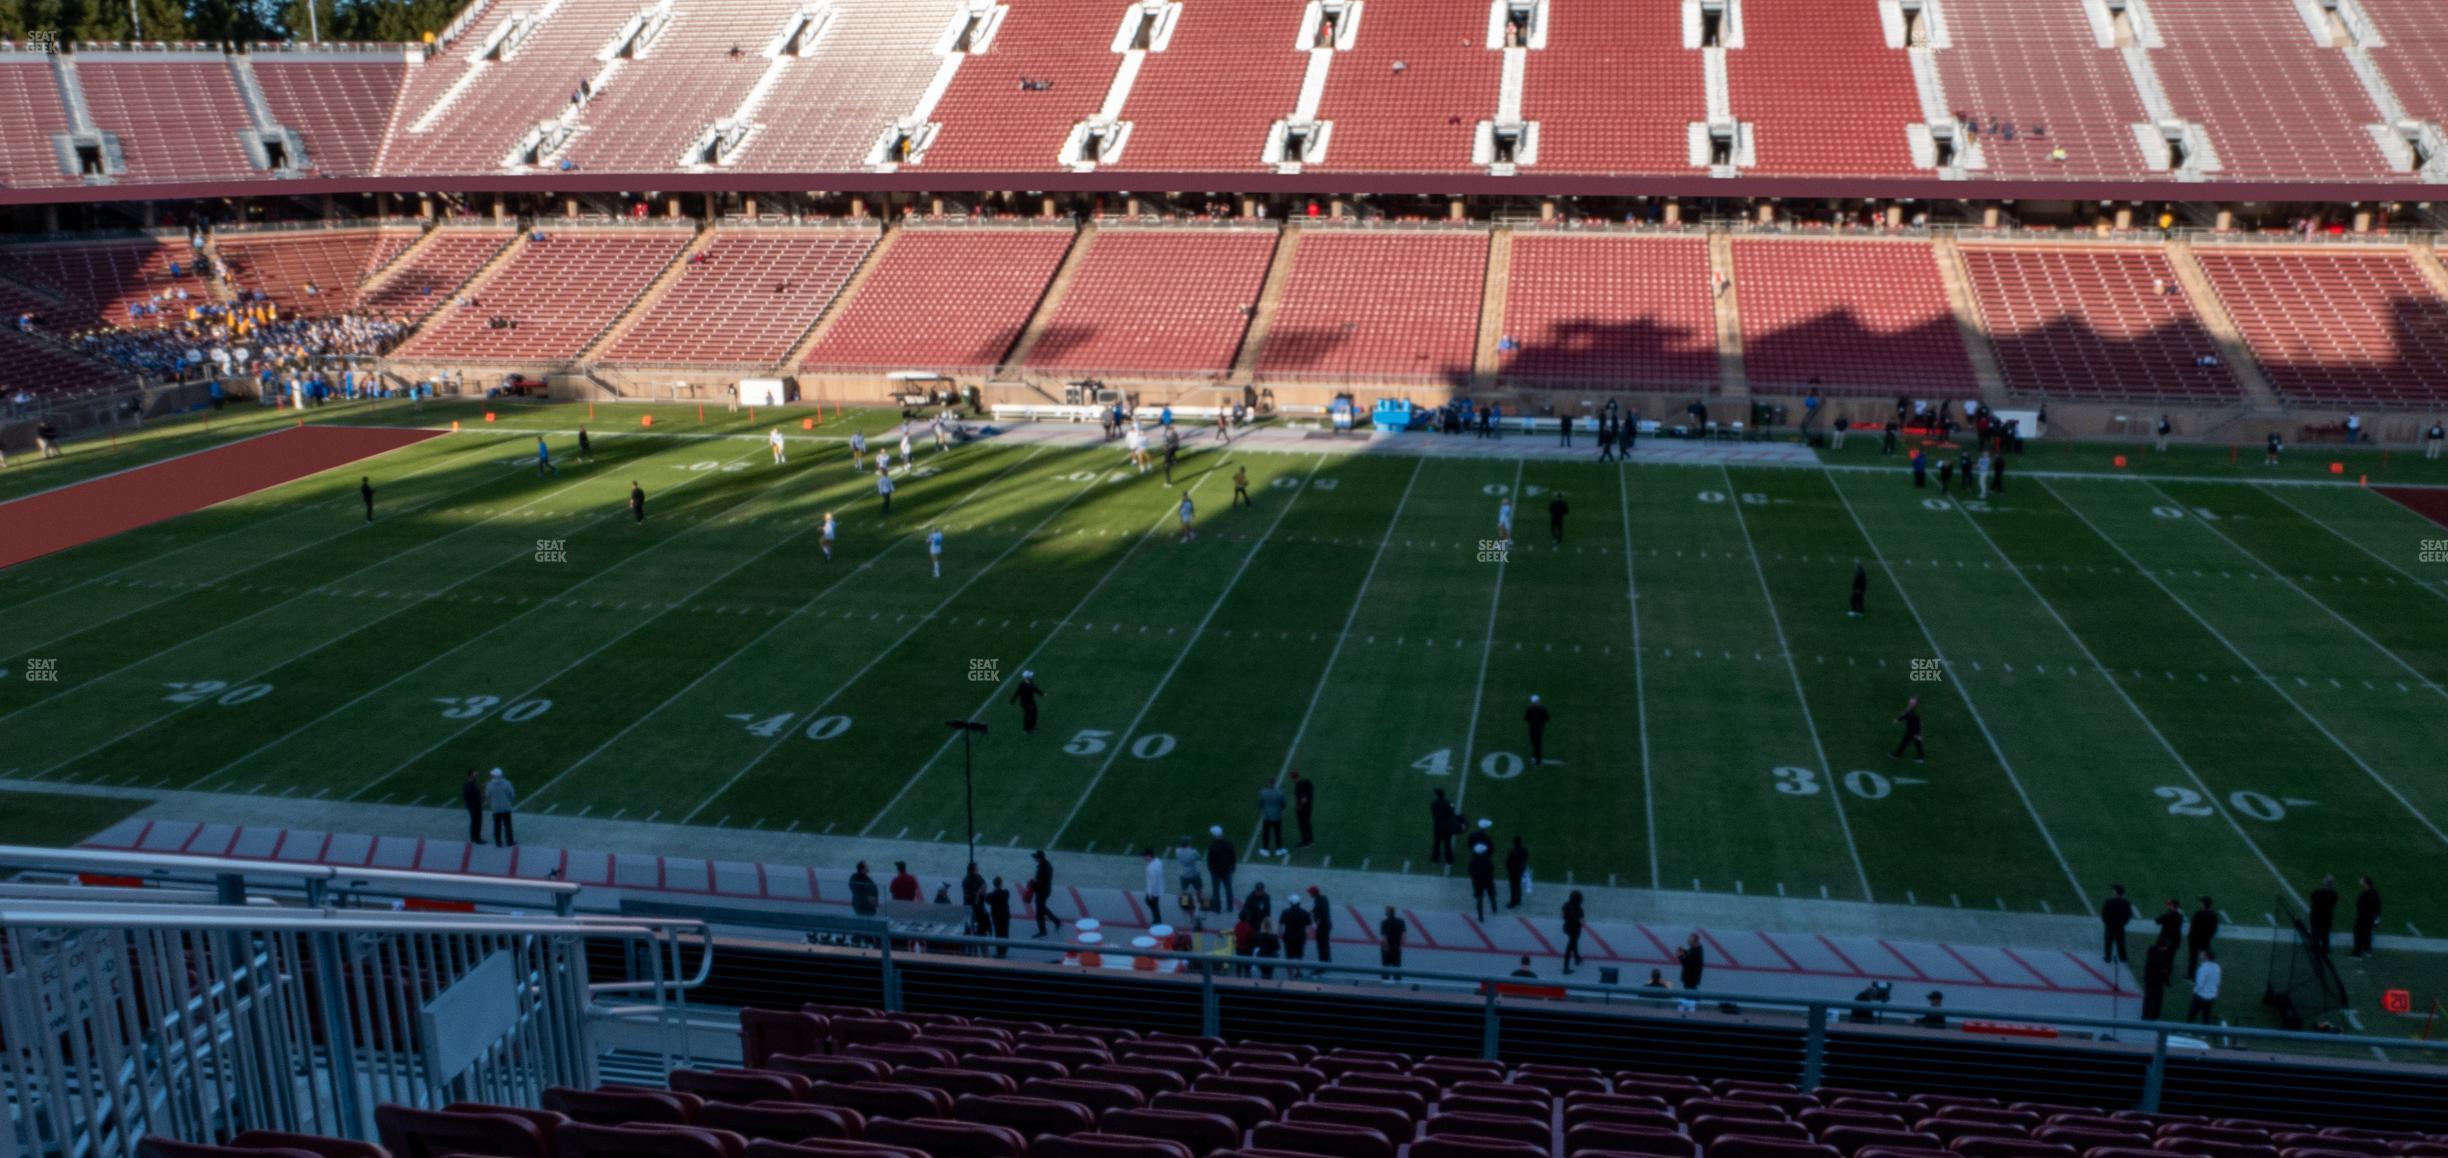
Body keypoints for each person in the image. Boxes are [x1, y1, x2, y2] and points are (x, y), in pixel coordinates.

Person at [2141, 932, 2176, 1020]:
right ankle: (2150, 1015)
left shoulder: (2152, 951)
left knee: (2152, 998)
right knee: (2153, 998)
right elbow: (2163, 968)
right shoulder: (2158, 955)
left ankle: (2150, 1014)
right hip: (2155, 980)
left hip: (2152, 979)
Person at [1206, 825, 1238, 912]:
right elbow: (1233, 856)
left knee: (1216, 891)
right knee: (1229, 889)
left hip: (1216, 872)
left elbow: (1209, 860)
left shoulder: (1212, 846)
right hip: (1227, 871)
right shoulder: (1228, 844)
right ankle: (1230, 907)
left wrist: (1211, 869)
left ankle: (1217, 908)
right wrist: (1233, 867)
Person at [2101, 884, 2134, 964]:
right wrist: (2124, 923)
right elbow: (2129, 915)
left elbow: (2104, 913)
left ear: (2116, 892)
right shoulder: (2126, 902)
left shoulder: (2109, 901)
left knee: (2108, 942)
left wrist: (2106, 922)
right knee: (2121, 942)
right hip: (2120, 925)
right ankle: (2122, 957)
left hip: (2110, 925)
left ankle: (2107, 957)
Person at [2187, 948, 2222, 1024]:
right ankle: (2205, 1034)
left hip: (2200, 996)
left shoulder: (2203, 968)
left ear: (2206, 957)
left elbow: (2200, 984)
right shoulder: (2217, 967)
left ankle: (2187, 1031)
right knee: (2206, 1016)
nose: (2200, 955)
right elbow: (2218, 982)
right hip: (2211, 996)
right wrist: (2216, 993)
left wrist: (2194, 989)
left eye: (2203, 954)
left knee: (2192, 1014)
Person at [2187, 896, 2219, 979]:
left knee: (2193, 958)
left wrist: (2190, 937)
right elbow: (2214, 929)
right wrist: (2209, 936)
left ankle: (2191, 975)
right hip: (2206, 940)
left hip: (2195, 939)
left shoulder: (2198, 914)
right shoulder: (2214, 915)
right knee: (2205, 957)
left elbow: (2193, 927)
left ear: (2203, 905)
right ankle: (2205, 974)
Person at [1468, 835, 1498, 920]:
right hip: (1488, 880)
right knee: (1491, 895)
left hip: (1478, 882)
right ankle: (1494, 908)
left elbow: (1470, 871)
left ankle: (1480, 916)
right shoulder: (1487, 859)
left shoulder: (1473, 861)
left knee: (1479, 899)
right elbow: (1491, 869)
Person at [2308, 875, 2339, 955]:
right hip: (2327, 917)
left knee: (2315, 934)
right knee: (2325, 935)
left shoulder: (2316, 892)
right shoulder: (2334, 894)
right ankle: (2325, 950)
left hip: (2316, 916)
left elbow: (2312, 900)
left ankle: (2315, 950)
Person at [485, 767, 517, 847]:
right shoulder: (507, 783)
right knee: (508, 825)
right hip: (506, 808)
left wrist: (491, 804)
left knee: (497, 826)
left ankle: (498, 842)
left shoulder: (489, 785)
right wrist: (509, 802)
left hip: (495, 809)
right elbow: (512, 795)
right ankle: (510, 841)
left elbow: (487, 796)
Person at [1279, 894, 1311, 974]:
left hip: (1288, 937)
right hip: (1300, 937)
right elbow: (1309, 926)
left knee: (1288, 957)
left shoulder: (1285, 912)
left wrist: (1281, 935)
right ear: (1299, 903)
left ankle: (1290, 974)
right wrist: (1306, 936)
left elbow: (1281, 925)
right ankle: (1298, 972)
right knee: (1299, 956)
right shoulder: (1304, 913)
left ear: (1290, 903)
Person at [2352, 876, 2381, 958]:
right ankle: (2367, 951)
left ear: (2365, 883)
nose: (2360, 882)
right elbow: (2378, 906)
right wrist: (2377, 918)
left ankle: (2357, 953)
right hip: (2370, 918)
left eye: (2362, 881)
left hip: (2362, 918)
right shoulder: (2375, 892)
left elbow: (2359, 906)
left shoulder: (2364, 893)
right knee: (2367, 934)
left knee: (2358, 935)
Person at [1175, 836, 1205, 913]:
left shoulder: (1177, 851)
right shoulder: (1193, 852)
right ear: (1188, 843)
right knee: (1198, 889)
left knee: (1184, 891)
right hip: (1194, 873)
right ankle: (1199, 904)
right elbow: (1200, 858)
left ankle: (1185, 906)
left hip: (1183, 874)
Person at [1029, 850, 1056, 936]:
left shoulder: (1042, 868)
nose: (1034, 859)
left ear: (1039, 858)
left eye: (1036, 858)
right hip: (1045, 890)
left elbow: (1040, 882)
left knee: (1039, 913)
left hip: (1042, 892)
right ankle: (1056, 921)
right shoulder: (1047, 865)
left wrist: (1032, 884)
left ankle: (1043, 931)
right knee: (1042, 908)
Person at [1257, 781, 1287, 856]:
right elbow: (1283, 805)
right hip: (1277, 816)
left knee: (1266, 833)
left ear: (1268, 784)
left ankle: (1265, 850)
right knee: (1277, 833)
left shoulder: (1263, 793)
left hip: (1267, 816)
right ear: (1274, 784)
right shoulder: (1280, 793)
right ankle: (1278, 849)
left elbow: (1261, 804)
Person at [1891, 697, 1925, 762]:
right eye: (1910, 701)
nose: (1910, 702)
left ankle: (1897, 755)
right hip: (1912, 729)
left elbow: (1907, 716)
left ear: (1915, 704)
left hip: (1913, 730)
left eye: (1912, 702)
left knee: (1908, 742)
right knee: (1916, 743)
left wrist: (1917, 733)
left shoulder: (1912, 712)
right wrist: (1898, 719)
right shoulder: (1910, 709)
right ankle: (1897, 755)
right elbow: (1905, 715)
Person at [1429, 788, 1458, 864]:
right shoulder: (1448, 803)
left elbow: (1433, 812)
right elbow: (1452, 811)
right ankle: (1449, 859)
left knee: (1437, 843)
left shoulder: (1433, 804)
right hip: (1446, 826)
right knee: (1447, 843)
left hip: (1437, 826)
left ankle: (1435, 858)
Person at [985, 876, 1013, 955]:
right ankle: (1004, 950)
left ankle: (999, 951)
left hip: (996, 918)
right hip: (1005, 917)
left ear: (994, 885)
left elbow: (987, 900)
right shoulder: (1006, 893)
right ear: (1001, 884)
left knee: (998, 934)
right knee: (1005, 933)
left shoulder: (991, 895)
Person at [1560, 890, 1586, 973]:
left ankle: (1577, 957)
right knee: (1571, 946)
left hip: (1567, 927)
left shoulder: (1566, 905)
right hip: (1575, 929)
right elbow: (1582, 922)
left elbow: (1562, 915)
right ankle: (1566, 967)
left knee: (1573, 943)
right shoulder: (1580, 910)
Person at [1379, 906, 1407, 977]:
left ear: (1388, 913)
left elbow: (1384, 937)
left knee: (1385, 969)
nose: (1385, 912)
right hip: (1396, 947)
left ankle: (1385, 985)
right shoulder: (1401, 922)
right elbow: (1403, 936)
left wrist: (1386, 947)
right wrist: (1400, 945)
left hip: (1387, 949)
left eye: (1386, 911)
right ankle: (1397, 984)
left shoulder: (1384, 923)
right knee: (1397, 968)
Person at [1309, 885, 1334, 963]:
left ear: (1313, 893)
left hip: (1322, 926)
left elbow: (1318, 914)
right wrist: (1312, 912)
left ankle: (1322, 964)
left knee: (1321, 945)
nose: (1309, 894)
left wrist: (1314, 925)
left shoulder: (1318, 901)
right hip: (1328, 924)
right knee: (1325, 944)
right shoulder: (1323, 898)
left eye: (1310, 893)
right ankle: (1327, 960)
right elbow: (1317, 909)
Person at [1524, 694, 1550, 766]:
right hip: (1540, 728)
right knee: (1537, 744)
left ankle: (1537, 759)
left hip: (1533, 728)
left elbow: (1526, 718)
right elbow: (1546, 718)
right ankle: (1536, 757)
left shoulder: (1529, 709)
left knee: (1535, 744)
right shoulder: (1543, 709)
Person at [460, 767, 484, 842]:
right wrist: (480, 796)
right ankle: (476, 838)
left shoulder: (469, 784)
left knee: (476, 822)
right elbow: (471, 795)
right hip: (474, 806)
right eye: (475, 775)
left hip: (474, 805)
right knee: (476, 822)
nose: (476, 777)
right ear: (471, 775)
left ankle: (475, 837)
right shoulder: (469, 785)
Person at [1292, 770, 1315, 847]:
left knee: (1302, 825)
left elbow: (1303, 799)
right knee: (1307, 823)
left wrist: (1299, 807)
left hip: (1303, 809)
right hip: (1309, 807)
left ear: (1293, 778)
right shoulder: (1305, 782)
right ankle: (1311, 840)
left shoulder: (1299, 785)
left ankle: (1305, 841)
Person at [1504, 836, 1529, 909]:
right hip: (1520, 870)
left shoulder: (1512, 851)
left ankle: (1513, 902)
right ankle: (1518, 899)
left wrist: (1508, 869)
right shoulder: (1523, 850)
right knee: (1518, 885)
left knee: (1513, 887)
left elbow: (1508, 862)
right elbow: (1526, 858)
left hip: (1513, 871)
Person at [1142, 848, 1166, 921]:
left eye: (1144, 856)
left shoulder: (1151, 868)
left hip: (1154, 892)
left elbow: (1152, 883)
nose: (1143, 858)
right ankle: (1157, 918)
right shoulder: (1158, 861)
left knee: (1151, 903)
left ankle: (1157, 920)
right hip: (1159, 888)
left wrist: (1150, 894)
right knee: (1154, 905)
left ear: (1149, 856)